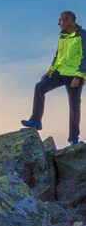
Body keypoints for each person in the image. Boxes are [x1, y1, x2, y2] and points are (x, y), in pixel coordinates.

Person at [21, 11, 86, 146]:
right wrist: (50, 70)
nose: (58, 23)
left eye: (61, 20)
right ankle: (36, 120)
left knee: (74, 106)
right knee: (40, 87)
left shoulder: (82, 35)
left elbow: (85, 58)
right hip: (60, 72)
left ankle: (74, 139)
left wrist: (79, 76)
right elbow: (58, 55)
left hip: (75, 76)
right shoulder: (62, 36)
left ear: (69, 20)